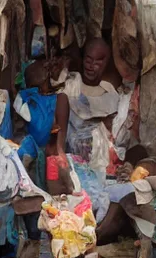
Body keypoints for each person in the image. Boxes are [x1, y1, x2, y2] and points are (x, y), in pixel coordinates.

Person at [61, 39, 125, 167]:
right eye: (88, 60)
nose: (91, 66)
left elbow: (117, 136)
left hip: (102, 162)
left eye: (97, 62)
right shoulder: (70, 86)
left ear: (106, 63)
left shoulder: (111, 94)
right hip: (71, 158)